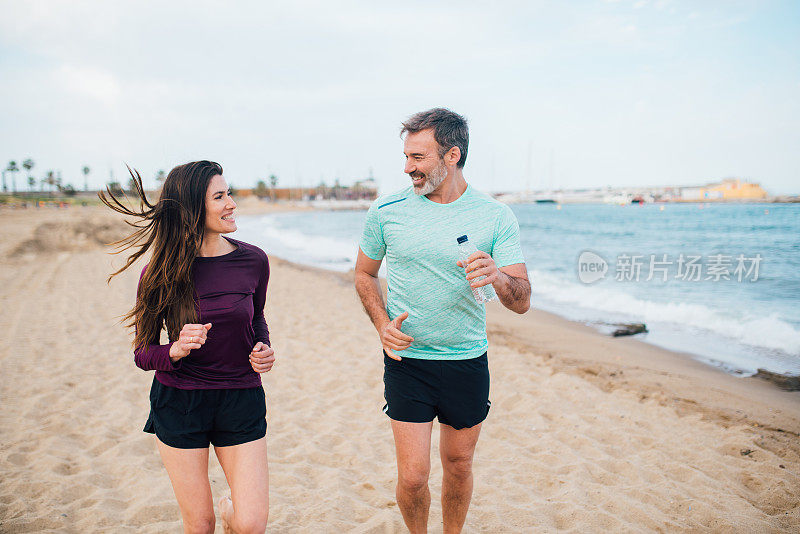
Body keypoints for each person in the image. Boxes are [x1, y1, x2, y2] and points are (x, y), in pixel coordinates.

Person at [355, 109, 531, 533]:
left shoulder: (495, 216)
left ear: (452, 155)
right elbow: (364, 274)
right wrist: (381, 324)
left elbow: (522, 300)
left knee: (458, 465)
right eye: (406, 156)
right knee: (414, 477)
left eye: (418, 157)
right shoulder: (387, 211)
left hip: (466, 358)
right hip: (407, 360)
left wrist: (498, 276)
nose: (407, 167)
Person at [100, 161, 275, 534]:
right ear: (194, 207)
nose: (231, 203)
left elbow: (256, 317)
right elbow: (143, 353)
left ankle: (232, 513)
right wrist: (175, 350)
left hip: (240, 397)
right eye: (219, 196)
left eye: (229, 193)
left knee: (251, 523)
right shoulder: (159, 273)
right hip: (180, 402)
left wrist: (263, 348)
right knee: (200, 524)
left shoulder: (253, 260)